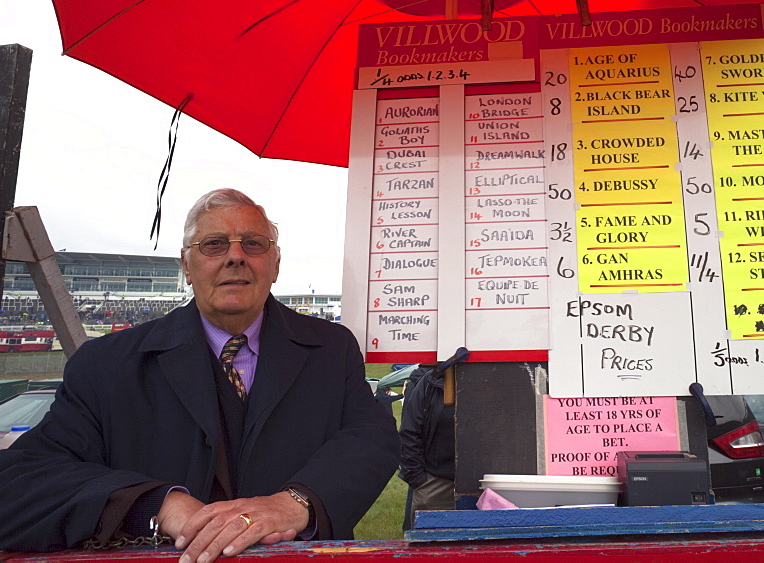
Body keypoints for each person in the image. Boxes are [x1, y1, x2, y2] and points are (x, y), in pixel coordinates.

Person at [0, 189, 400, 559]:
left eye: (254, 244)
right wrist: (155, 505)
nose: (236, 256)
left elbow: (372, 437)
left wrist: (296, 502)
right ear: (186, 266)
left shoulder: (331, 349)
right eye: (214, 244)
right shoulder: (105, 364)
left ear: (275, 264)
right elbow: (21, 481)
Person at [398, 364, 455, 529]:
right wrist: (419, 480)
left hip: (486, 486)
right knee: (432, 550)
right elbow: (410, 431)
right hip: (437, 484)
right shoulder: (430, 381)